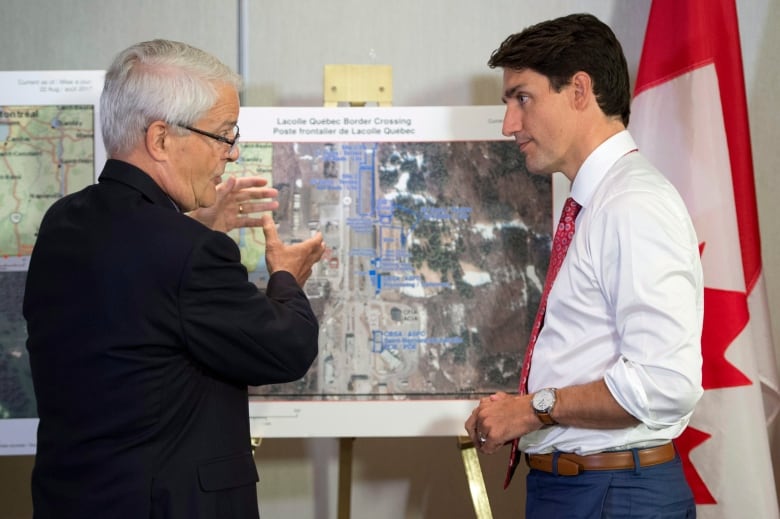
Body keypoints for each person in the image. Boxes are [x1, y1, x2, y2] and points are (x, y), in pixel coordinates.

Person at [23, 39, 325, 518]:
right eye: (224, 134)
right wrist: (287, 278)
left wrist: (196, 228)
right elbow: (286, 349)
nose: (231, 153)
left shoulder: (63, 223)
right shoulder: (187, 252)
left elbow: (138, 296)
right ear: (161, 139)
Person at [465, 14, 703, 518]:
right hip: (589, 489)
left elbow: (663, 382)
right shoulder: (599, 201)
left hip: (612, 494)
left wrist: (531, 409)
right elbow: (589, 352)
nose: (509, 124)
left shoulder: (632, 203)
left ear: (579, 90)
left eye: (522, 98)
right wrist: (520, 410)